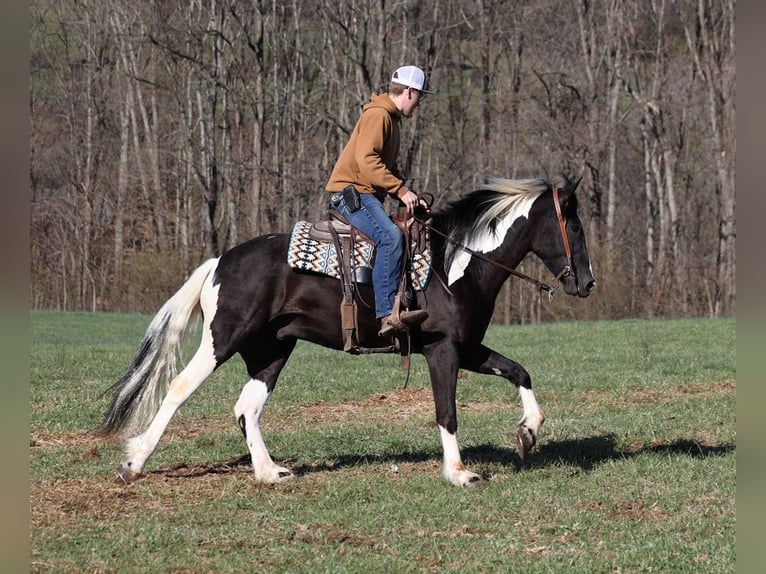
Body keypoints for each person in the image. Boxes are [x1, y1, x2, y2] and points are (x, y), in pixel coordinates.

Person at [326, 65, 432, 337]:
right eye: (419, 95)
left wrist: (411, 195)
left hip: (366, 193)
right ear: (409, 92)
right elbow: (367, 160)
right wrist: (399, 190)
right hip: (352, 194)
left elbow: (386, 167)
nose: (419, 103)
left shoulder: (391, 119)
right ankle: (387, 314)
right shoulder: (379, 116)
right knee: (390, 237)